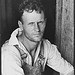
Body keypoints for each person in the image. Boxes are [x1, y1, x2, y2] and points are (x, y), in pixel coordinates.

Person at [1, 0, 74, 75]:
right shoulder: (8, 54)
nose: (37, 29)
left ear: (45, 22)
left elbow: (69, 71)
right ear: (21, 25)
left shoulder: (46, 46)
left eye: (40, 22)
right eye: (31, 24)